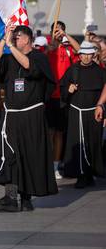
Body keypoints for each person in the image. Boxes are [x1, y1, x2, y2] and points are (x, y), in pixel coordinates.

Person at [0, 24, 57, 212]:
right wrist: (4, 40)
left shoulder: (39, 57)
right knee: (10, 155)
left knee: (29, 155)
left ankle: (26, 197)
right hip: (12, 115)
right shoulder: (9, 58)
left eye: (17, 37)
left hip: (32, 115)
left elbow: (29, 67)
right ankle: (10, 197)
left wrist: (11, 47)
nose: (15, 39)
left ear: (27, 39)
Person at [61, 41, 106, 188]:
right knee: (78, 144)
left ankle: (91, 173)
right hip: (76, 112)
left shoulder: (100, 71)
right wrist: (69, 89)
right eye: (83, 54)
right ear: (79, 55)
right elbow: (62, 90)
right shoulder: (72, 70)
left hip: (94, 113)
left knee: (93, 143)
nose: (86, 57)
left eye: (88, 54)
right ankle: (81, 174)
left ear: (93, 55)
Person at [46, 21, 80, 180]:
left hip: (64, 96)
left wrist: (66, 36)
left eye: (60, 30)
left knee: (60, 132)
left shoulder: (68, 49)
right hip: (49, 96)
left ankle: (56, 164)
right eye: (55, 30)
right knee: (49, 131)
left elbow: (80, 50)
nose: (57, 33)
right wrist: (49, 48)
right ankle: (47, 162)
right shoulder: (47, 48)